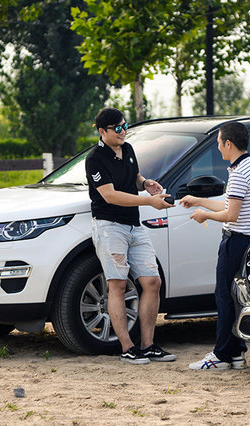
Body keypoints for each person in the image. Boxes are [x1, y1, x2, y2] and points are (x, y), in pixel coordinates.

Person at [85, 107, 176, 365]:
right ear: (102, 131)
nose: (123, 131)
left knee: (152, 281)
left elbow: (134, 177)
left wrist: (145, 183)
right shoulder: (95, 159)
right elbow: (110, 195)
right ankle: (127, 348)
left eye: (125, 126)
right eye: (117, 128)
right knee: (117, 284)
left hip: (134, 226)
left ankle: (148, 345)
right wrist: (149, 201)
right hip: (110, 226)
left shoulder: (128, 149)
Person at [180, 121, 250, 370]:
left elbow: (230, 215)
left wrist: (203, 215)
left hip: (236, 241)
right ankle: (236, 353)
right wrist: (199, 200)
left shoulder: (239, 173)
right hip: (246, 240)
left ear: (228, 143)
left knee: (224, 297)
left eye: (219, 143)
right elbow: (229, 205)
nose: (218, 148)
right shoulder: (246, 167)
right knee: (233, 297)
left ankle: (221, 355)